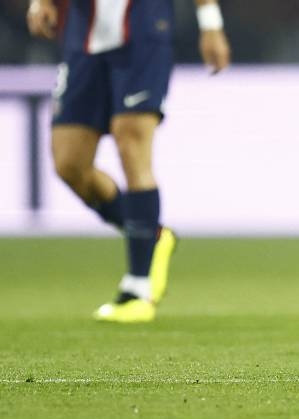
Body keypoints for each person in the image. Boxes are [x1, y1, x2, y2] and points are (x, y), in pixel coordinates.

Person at [26, 0, 230, 322]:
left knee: (131, 140)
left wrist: (210, 23)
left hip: (143, 25)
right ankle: (153, 235)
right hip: (84, 32)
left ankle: (138, 289)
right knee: (69, 163)